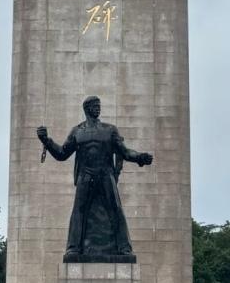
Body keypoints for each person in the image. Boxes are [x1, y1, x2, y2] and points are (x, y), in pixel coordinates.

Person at [37, 96, 152, 258]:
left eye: (99, 105)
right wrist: (46, 141)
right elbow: (62, 154)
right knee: (79, 211)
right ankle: (73, 248)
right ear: (86, 108)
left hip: (105, 175)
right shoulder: (77, 131)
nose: (98, 108)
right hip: (86, 175)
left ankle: (124, 248)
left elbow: (125, 152)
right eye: (94, 106)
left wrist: (140, 157)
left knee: (116, 210)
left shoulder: (110, 129)